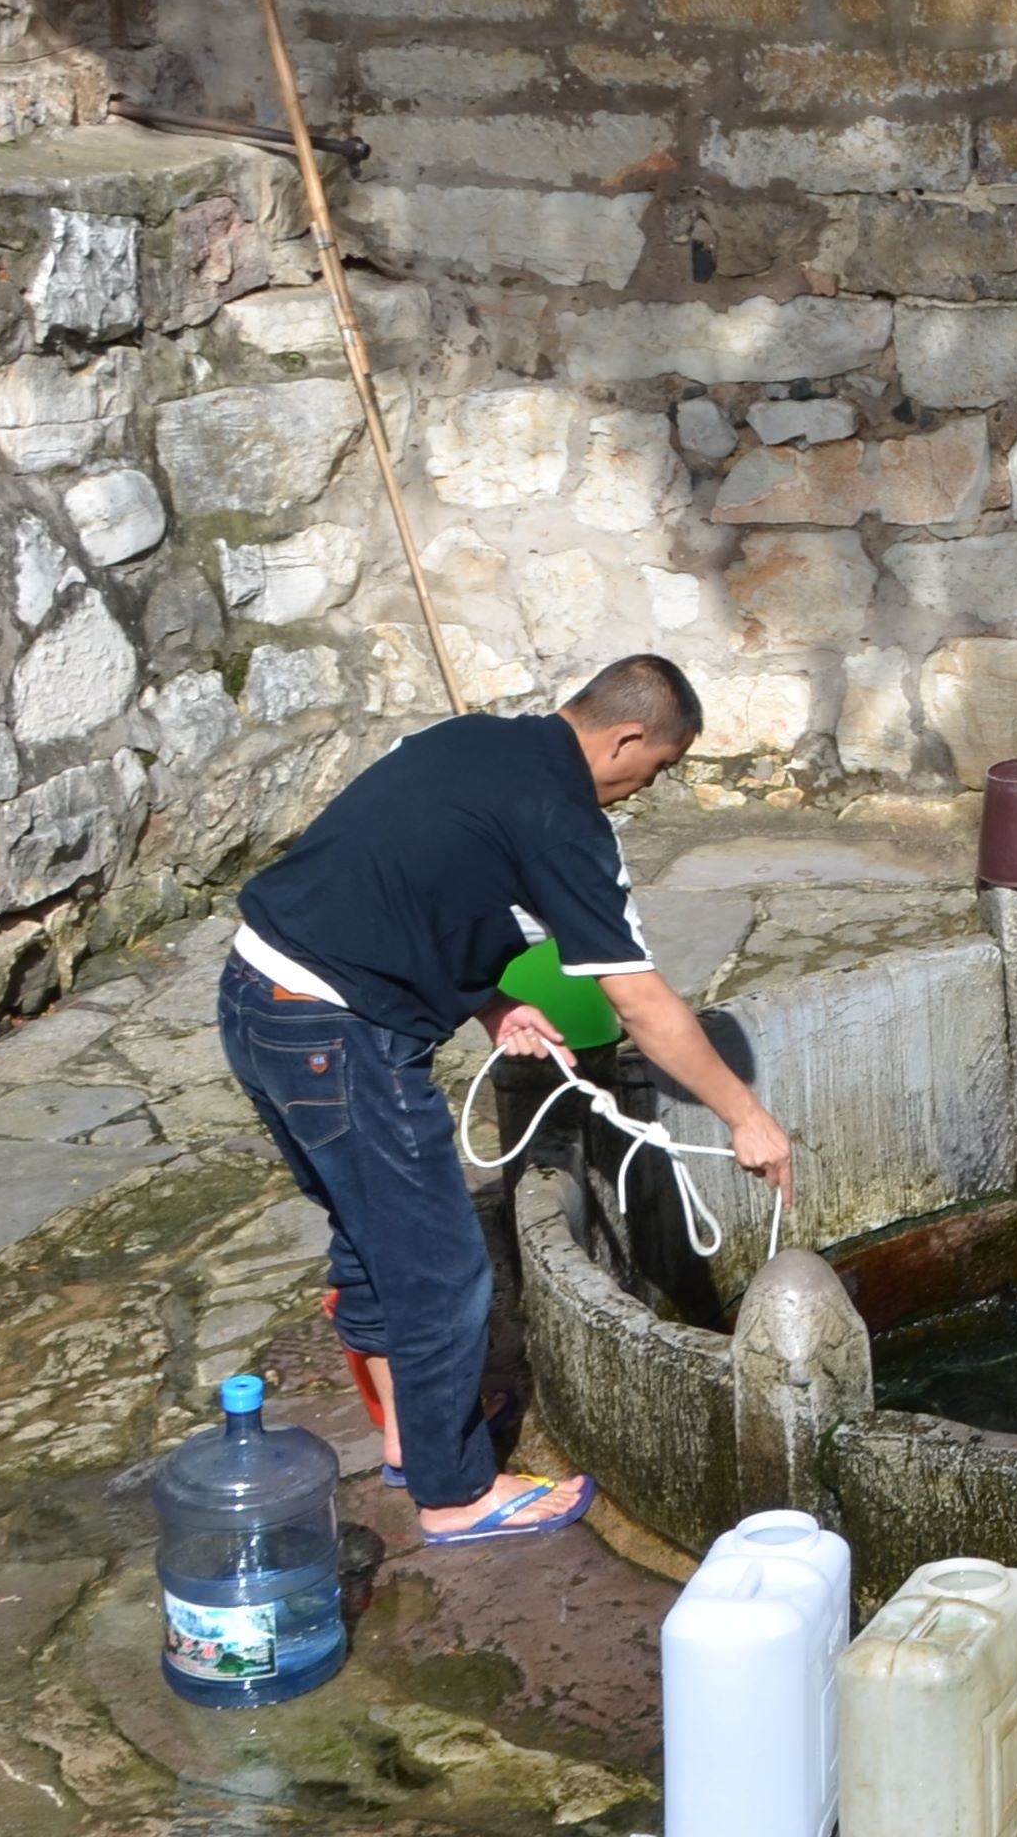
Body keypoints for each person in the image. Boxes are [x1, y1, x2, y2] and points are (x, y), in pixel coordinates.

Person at [214, 653, 790, 1546]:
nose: (645, 788)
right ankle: (456, 1497)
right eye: (659, 767)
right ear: (626, 738)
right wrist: (745, 1116)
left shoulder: (464, 738)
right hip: (339, 1037)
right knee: (445, 1273)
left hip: (256, 993)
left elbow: (397, 875)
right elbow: (639, 1001)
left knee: (373, 1237)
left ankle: (411, 1439)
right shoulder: (563, 819)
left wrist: (488, 1002)